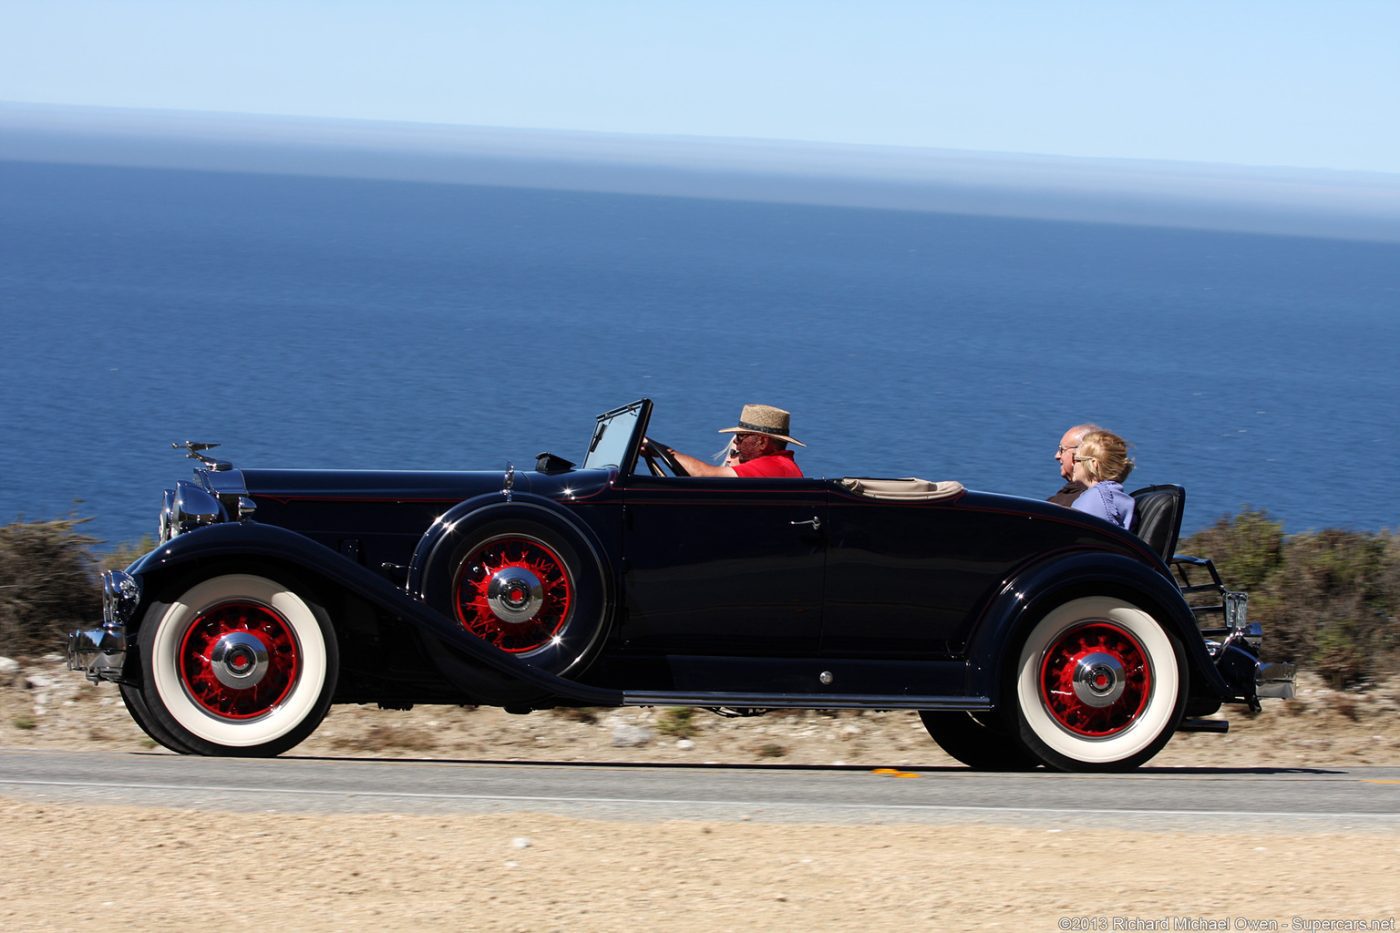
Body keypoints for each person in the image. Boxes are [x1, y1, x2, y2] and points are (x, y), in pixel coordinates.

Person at [647, 404, 804, 477]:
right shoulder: (783, 465)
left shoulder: (770, 466)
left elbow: (703, 474)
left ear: (762, 442)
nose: (736, 443)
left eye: (741, 437)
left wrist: (658, 449)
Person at [1069, 430, 1136, 528]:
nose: (1072, 464)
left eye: (1075, 459)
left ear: (1093, 464)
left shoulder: (1094, 499)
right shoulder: (1116, 496)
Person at [1049, 423, 1100, 506]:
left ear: (1079, 454)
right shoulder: (1115, 498)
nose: (1057, 456)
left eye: (1062, 449)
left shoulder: (1063, 504)